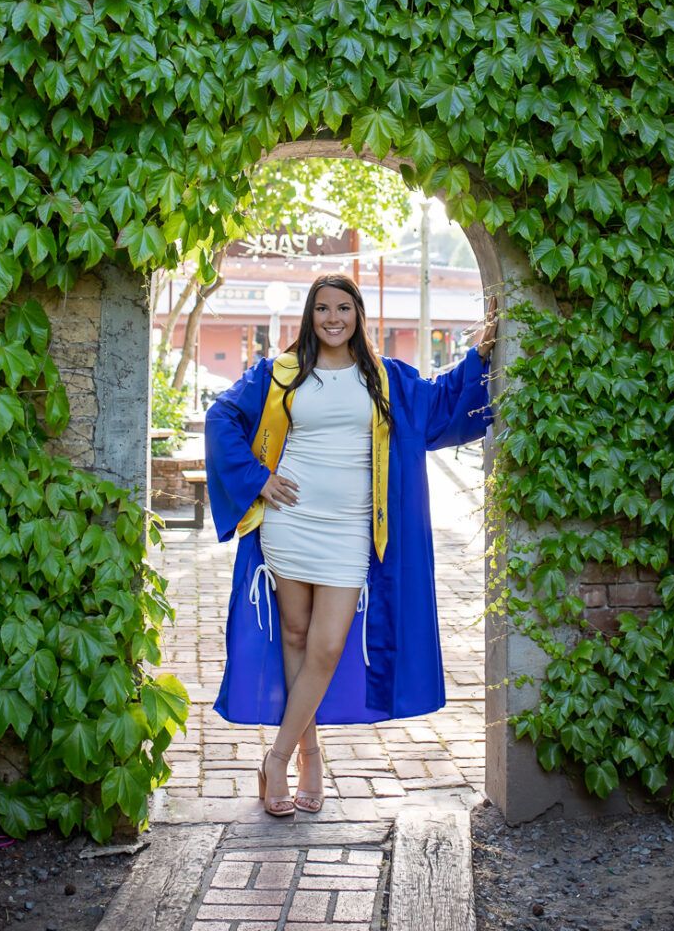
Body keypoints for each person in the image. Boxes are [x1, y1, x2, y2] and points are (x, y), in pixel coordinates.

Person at [205, 274, 497, 816]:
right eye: (322, 308)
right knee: (294, 635)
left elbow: (439, 405)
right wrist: (256, 478)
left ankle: (275, 757)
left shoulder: (386, 379)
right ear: (310, 317)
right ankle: (308, 756)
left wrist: (479, 356)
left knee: (328, 645)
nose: (333, 318)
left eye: (343, 307)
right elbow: (222, 416)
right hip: (290, 523)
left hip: (350, 529)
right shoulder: (282, 374)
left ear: (359, 314)